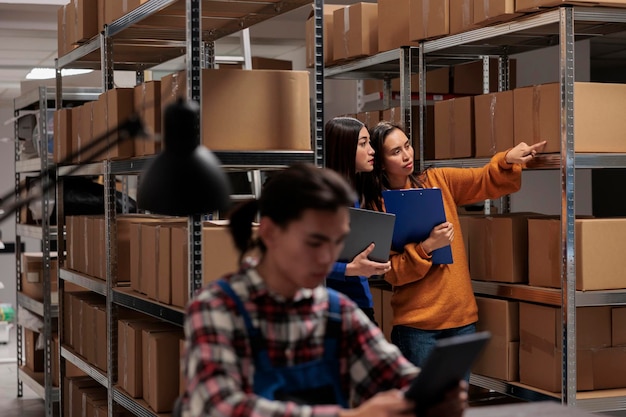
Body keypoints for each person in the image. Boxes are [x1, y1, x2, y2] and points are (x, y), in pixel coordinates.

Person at [180, 163, 468, 417]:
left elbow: (395, 375)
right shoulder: (218, 308)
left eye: (337, 243)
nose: (326, 258)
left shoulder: (336, 312)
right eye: (315, 242)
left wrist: (433, 395)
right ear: (269, 232)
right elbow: (219, 407)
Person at [363, 121, 546, 369]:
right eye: (396, 152)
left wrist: (506, 159)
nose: (407, 155)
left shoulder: (439, 180)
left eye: (407, 146)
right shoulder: (378, 206)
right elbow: (391, 273)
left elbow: (484, 179)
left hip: (461, 322)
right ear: (382, 162)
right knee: (425, 407)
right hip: (416, 328)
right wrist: (426, 247)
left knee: (456, 405)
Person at [324, 117, 391, 324]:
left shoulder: (352, 194)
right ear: (344, 149)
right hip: (337, 308)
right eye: (363, 144)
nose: (371, 151)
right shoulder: (326, 199)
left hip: (359, 303)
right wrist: (350, 269)